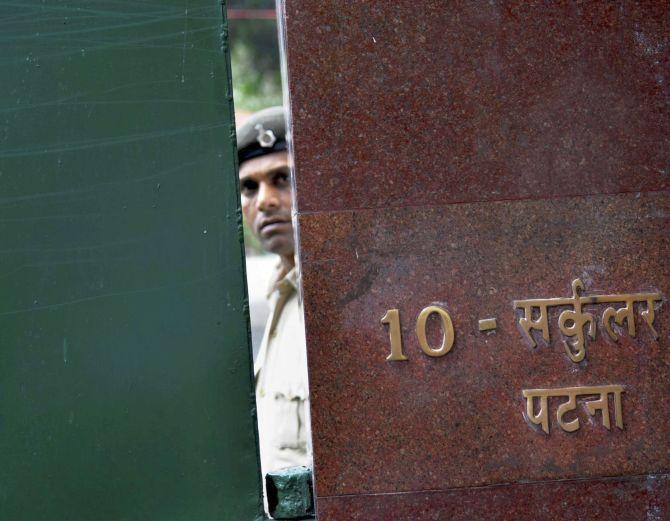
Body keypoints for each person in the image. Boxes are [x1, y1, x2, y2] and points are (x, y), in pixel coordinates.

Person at [237, 107, 310, 479]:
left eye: (282, 178)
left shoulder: (337, 300)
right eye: (249, 186)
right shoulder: (282, 292)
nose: (264, 200)